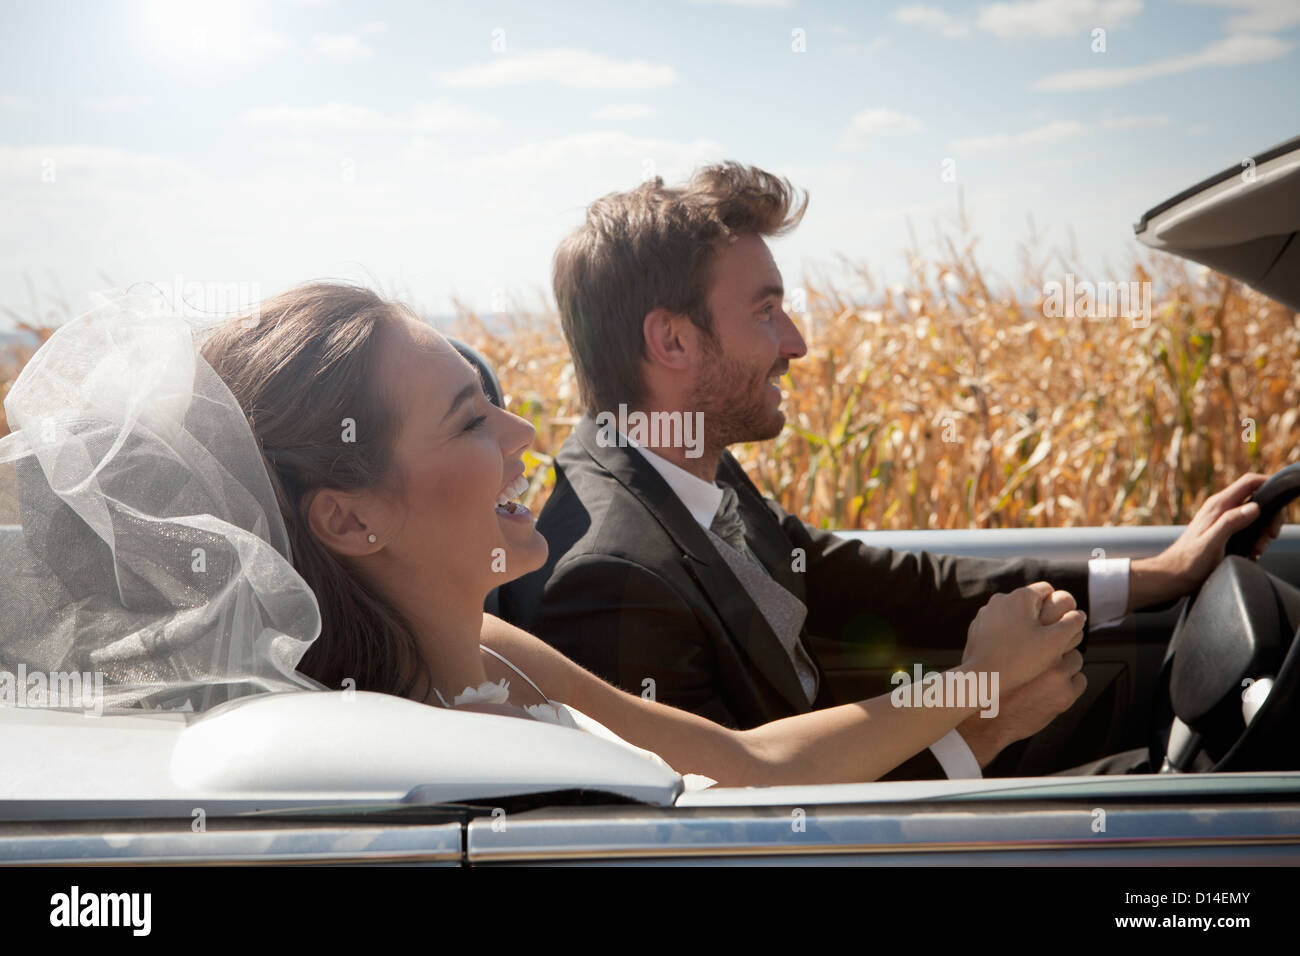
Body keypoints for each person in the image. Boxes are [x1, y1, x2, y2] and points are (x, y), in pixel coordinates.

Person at [498, 161, 1284, 778]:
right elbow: (739, 831)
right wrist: (988, 717)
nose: (797, 342)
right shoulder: (610, 577)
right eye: (766, 310)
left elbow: (892, 584)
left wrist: (1157, 573)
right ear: (671, 342)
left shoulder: (683, 466)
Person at [187, 281, 1095, 787]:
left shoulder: (494, 649)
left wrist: (990, 706)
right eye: (470, 423)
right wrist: (978, 695)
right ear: (348, 517)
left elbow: (744, 765)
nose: (523, 436)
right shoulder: (425, 758)